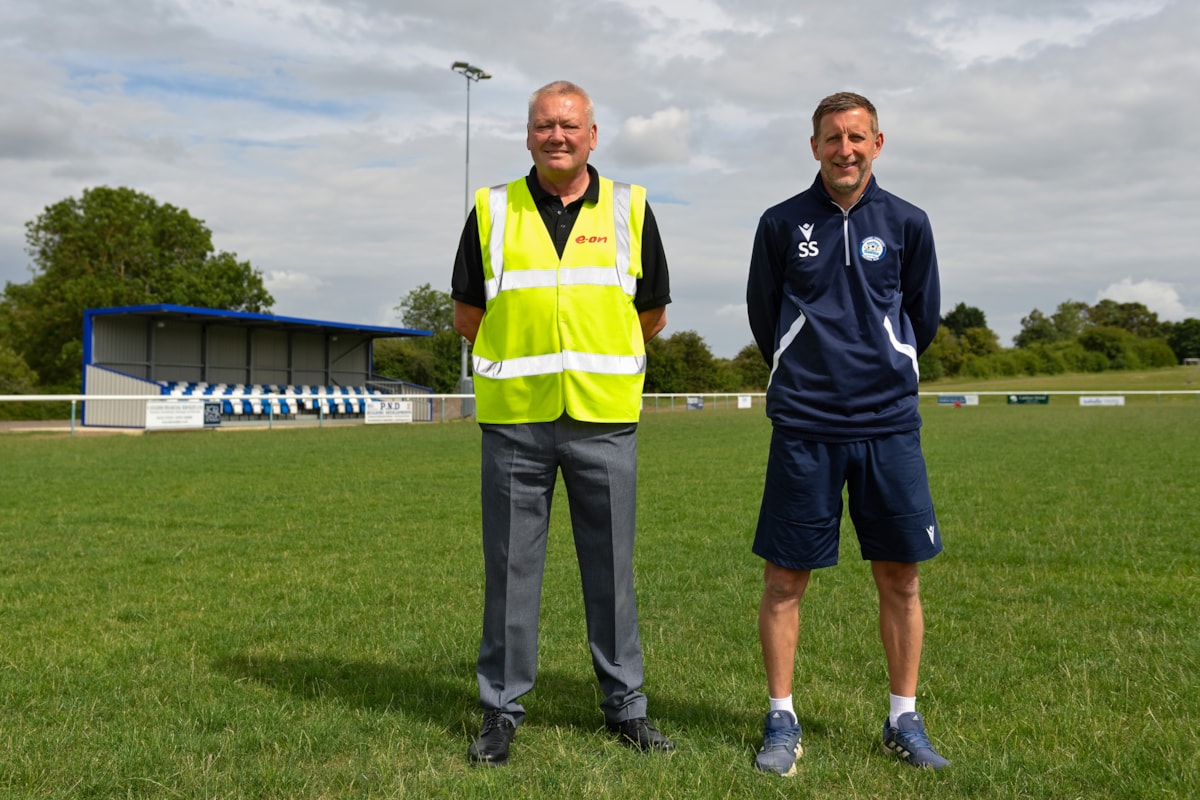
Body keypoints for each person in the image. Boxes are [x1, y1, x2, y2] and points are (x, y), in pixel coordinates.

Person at [451, 80, 674, 767]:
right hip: (515, 421)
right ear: (527, 135)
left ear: (592, 135)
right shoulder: (491, 209)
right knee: (511, 572)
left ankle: (625, 708)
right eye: (545, 125)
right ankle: (500, 711)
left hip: (603, 419)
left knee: (612, 572)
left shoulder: (632, 207)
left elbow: (652, 311)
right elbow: (468, 314)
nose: (557, 135)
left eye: (569, 125)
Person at [745, 91, 949, 775]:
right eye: (832, 138)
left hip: (889, 425)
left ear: (878, 143)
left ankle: (903, 720)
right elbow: (762, 314)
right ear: (814, 147)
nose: (845, 150)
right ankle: (781, 720)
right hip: (805, 425)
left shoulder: (908, 223)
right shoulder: (780, 224)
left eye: (857, 137)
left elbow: (922, 316)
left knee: (900, 577)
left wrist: (880, 365)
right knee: (784, 581)